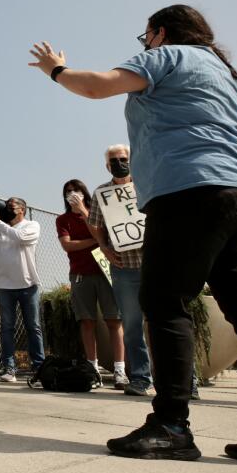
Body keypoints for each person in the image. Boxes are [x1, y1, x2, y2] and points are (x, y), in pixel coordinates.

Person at [30, 4, 237, 471]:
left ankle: (171, 425)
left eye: (145, 36)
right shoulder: (229, 74)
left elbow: (94, 86)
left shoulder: (166, 57)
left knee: (165, 302)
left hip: (189, 192)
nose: (144, 43)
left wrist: (56, 70)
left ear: (159, 32)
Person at [88, 145, 153, 396]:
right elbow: (94, 224)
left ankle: (183, 382)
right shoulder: (102, 193)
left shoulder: (147, 184)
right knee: (132, 326)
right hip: (124, 268)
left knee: (164, 322)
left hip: (154, 265)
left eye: (123, 159)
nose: (119, 163)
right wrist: (104, 247)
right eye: (113, 161)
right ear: (107, 166)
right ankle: (140, 378)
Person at [57, 180, 126, 389]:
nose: (72, 194)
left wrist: (84, 212)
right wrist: (95, 242)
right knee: (87, 322)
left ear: (84, 193)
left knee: (114, 321)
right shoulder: (62, 219)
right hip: (80, 274)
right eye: (68, 192)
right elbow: (68, 245)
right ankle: (92, 369)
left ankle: (120, 370)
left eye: (76, 190)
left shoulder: (98, 213)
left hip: (106, 273)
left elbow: (102, 234)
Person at [0, 195, 44, 383]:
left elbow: (19, 237)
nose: (8, 208)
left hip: (29, 284)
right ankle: (9, 368)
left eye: (12, 206)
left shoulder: (31, 226)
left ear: (22, 209)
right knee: (6, 328)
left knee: (33, 327)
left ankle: (39, 366)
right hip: (5, 286)